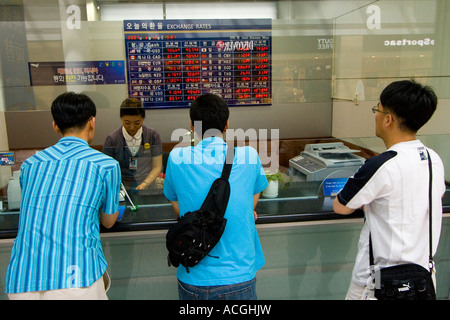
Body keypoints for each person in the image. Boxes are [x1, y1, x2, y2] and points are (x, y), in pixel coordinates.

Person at [333, 80, 445, 300]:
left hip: (378, 282)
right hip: (423, 277)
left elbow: (341, 207)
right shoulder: (433, 159)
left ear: (388, 120)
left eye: (377, 110)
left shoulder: (381, 165)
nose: (375, 115)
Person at [5, 92, 121, 299]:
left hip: (23, 276)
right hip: (76, 277)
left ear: (55, 126)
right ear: (92, 122)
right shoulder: (106, 165)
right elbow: (109, 221)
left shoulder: (30, 165)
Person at [163, 93, 268, 300]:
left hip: (193, 274)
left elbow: (176, 205)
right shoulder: (248, 156)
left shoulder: (177, 157)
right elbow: (253, 197)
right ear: (227, 124)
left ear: (192, 126)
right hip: (239, 276)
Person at [103, 98, 162, 191]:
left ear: (143, 118)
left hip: (148, 187)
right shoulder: (112, 139)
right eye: (127, 123)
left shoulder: (152, 135)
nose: (132, 127)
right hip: (122, 188)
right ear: (121, 118)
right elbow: (107, 170)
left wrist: (145, 184)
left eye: (137, 123)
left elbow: (157, 166)